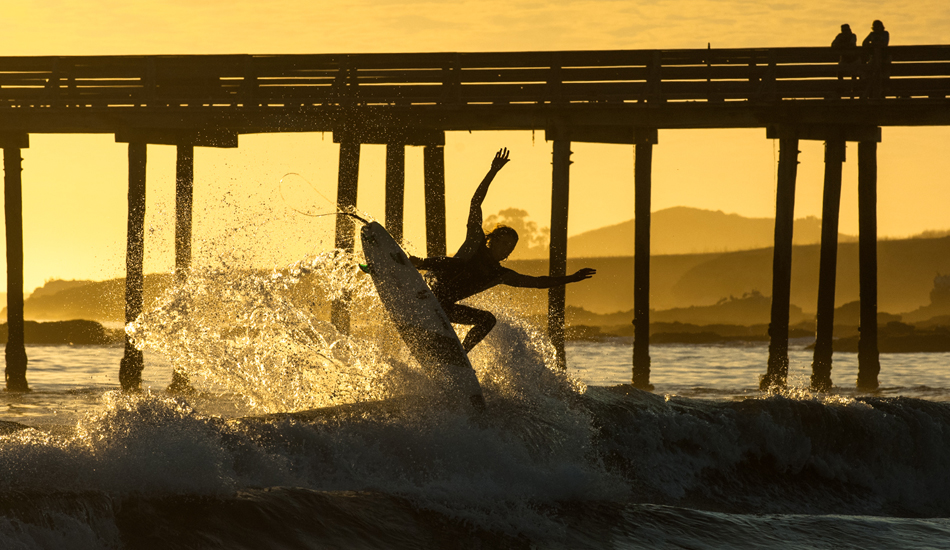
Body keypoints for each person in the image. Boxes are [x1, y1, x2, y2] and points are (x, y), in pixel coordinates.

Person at [410, 148, 596, 353]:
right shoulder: (476, 241)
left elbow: (537, 282)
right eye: (505, 243)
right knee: (463, 261)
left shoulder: (499, 274)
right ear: (492, 240)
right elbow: (475, 203)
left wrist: (571, 278)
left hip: (444, 307)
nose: (507, 249)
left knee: (488, 320)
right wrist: (493, 171)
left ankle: (461, 353)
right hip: (429, 288)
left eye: (511, 247)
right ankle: (418, 263)